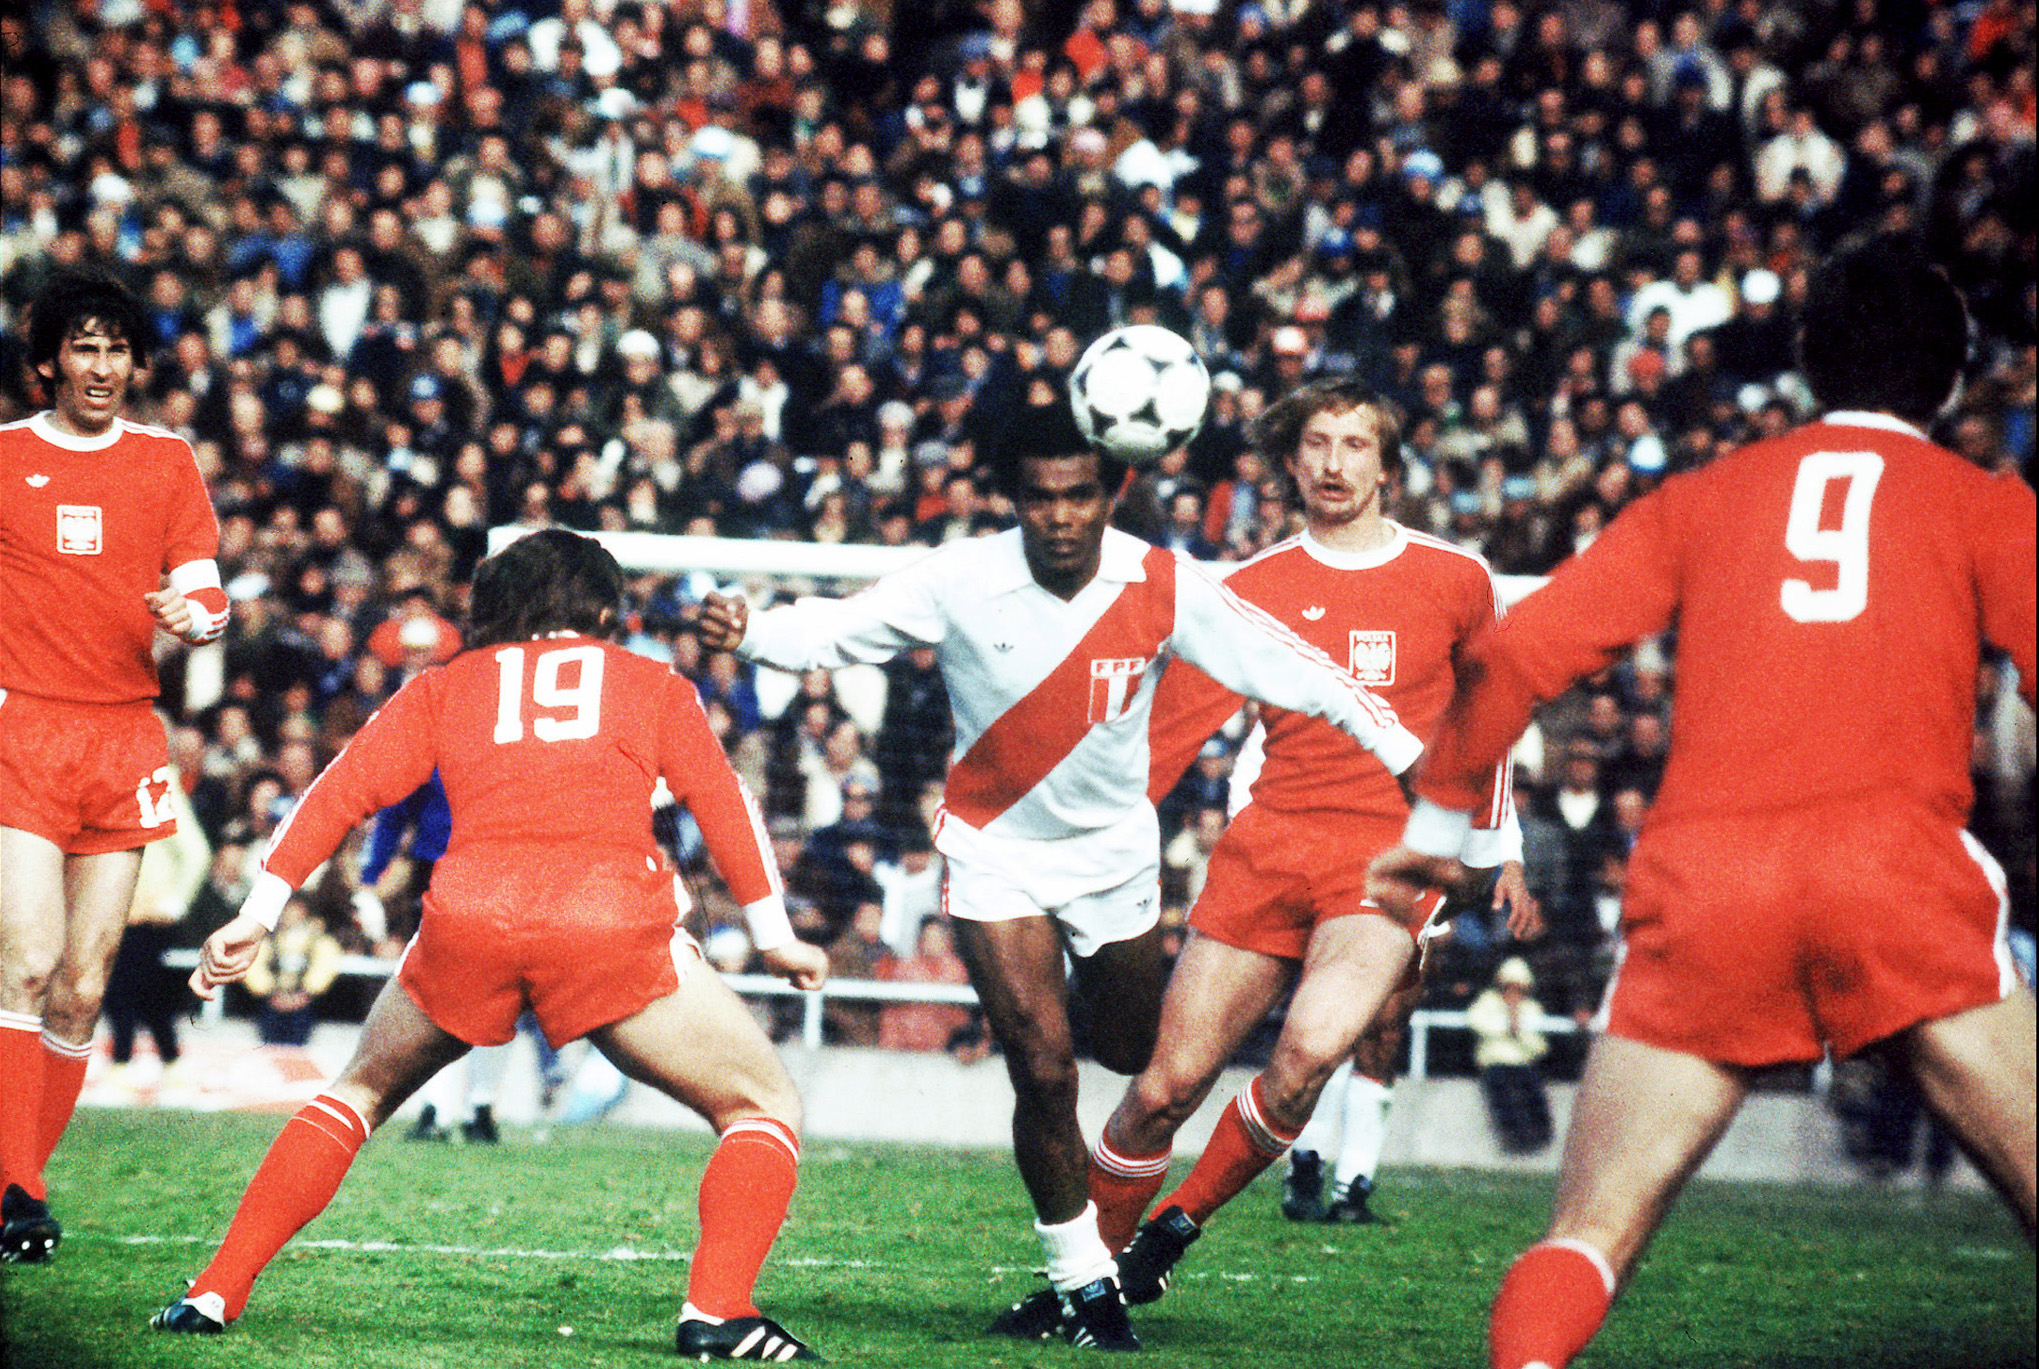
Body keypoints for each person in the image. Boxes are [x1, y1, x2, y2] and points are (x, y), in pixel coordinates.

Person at [1367, 234, 2037, 1369]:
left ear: (1804, 362)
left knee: (1583, 1237)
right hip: (1893, 870)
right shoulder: (1985, 505)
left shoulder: (1705, 497)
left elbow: (1509, 658)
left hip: (1706, 880)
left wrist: (1435, 830)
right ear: (1952, 376)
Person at [698, 440, 1423, 1350]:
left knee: (1128, 1048)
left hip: (1114, 860)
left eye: (1080, 495)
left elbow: (1294, 670)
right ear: (1013, 499)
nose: (1062, 515)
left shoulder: (1160, 582)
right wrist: (751, 628)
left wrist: (1408, 757)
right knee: (1042, 1065)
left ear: (1108, 494)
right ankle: (1085, 1282)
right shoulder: (960, 576)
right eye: (1041, 497)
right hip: (995, 852)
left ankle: (1073, 1063)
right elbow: (840, 628)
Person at [151, 529, 829, 1363]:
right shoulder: (652, 682)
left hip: (468, 917)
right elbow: (726, 806)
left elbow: (336, 794)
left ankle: (214, 1288)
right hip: (603, 919)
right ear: (604, 608)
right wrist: (776, 934)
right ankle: (719, 1309)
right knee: (762, 1105)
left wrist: (257, 911)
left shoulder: (446, 685)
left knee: (357, 1092)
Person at [1033, 379, 1534, 1324]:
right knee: (1164, 1085)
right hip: (1264, 847)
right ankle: (1074, 1283)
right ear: (1291, 461)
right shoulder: (1244, 589)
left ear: (1387, 465)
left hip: (1387, 859)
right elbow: (1162, 740)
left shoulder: (1453, 576)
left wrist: (1493, 846)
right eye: (1315, 443)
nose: (1333, 462)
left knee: (1306, 1055)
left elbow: (1489, 717)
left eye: (1354, 443)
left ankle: (1172, 1227)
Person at [0, 270, 230, 1263]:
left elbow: (207, 590)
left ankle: (19, 1182)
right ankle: (16, 1188)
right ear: (49, 358)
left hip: (126, 733)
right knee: (27, 959)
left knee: (86, 984)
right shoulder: (5, 457)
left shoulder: (166, 459)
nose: (100, 367)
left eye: (116, 350)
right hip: (23, 729)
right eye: (81, 348)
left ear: (136, 363)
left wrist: (200, 617)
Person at [1467, 957, 1554, 1154]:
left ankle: (1541, 1139)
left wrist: (1518, 1032)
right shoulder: (1487, 1001)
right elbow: (1477, 1022)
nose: (1513, 993)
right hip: (1495, 1063)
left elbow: (1539, 1045)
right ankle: (1513, 1141)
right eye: (1509, 987)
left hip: (1523, 1063)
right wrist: (1507, 1026)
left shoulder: (1532, 1008)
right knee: (1502, 1098)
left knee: (1535, 1095)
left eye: (1518, 988)